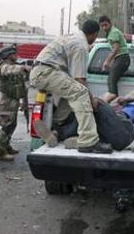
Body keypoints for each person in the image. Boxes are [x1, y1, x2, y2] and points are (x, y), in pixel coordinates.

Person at [30, 20, 112, 154]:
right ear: (94, 34)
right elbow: (79, 79)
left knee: (70, 95)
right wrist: (92, 100)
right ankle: (88, 140)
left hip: (42, 71)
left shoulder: (72, 37)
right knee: (80, 93)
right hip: (47, 72)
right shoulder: (81, 46)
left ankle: (55, 131)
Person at [0, 46, 30, 161]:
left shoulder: (11, 65)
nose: (16, 55)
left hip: (14, 100)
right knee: (6, 126)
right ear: (8, 55)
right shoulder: (4, 66)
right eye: (13, 54)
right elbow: (10, 70)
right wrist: (22, 68)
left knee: (12, 125)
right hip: (7, 101)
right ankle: (0, 151)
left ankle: (6, 146)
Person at [99, 15, 130, 102]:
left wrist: (106, 61)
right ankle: (114, 100)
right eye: (102, 26)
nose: (104, 27)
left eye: (105, 25)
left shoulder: (113, 32)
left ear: (110, 23)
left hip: (122, 58)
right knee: (113, 79)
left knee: (111, 79)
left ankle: (112, 95)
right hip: (121, 59)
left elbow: (116, 48)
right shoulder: (111, 33)